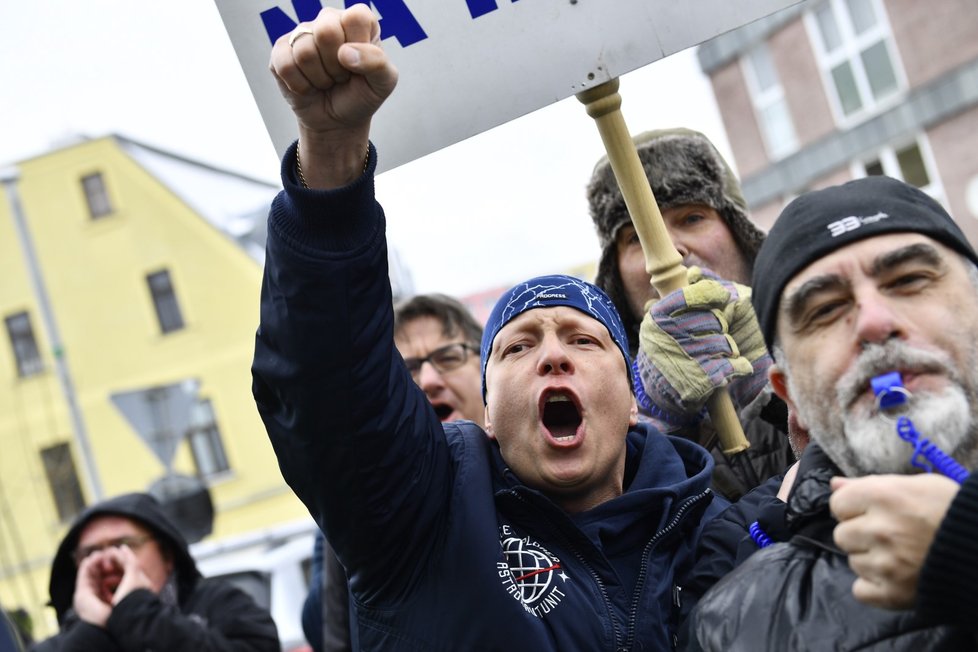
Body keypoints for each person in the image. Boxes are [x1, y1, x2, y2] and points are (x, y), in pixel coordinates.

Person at [252, 7, 726, 649]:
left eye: (584, 340)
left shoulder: (714, 526)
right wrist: (331, 153)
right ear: (491, 416)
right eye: (518, 347)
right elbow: (328, 386)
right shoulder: (428, 517)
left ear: (634, 399)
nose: (553, 358)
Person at [687, 175, 978, 650]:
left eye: (908, 281)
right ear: (790, 395)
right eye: (824, 309)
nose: (874, 322)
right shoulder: (733, 629)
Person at [587, 129, 796, 500]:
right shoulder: (596, 404)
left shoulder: (825, 327)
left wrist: (784, 387)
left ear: (740, 235)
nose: (670, 250)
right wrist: (657, 427)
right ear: (615, 275)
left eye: (693, 218)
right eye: (636, 237)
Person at [301, 293, 485, 652]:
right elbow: (326, 631)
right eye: (408, 368)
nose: (429, 379)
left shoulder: (536, 473)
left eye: (449, 357)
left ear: (487, 367)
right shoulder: (358, 508)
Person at [32, 492, 279, 652]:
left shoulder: (220, 607)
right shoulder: (57, 646)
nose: (107, 563)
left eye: (124, 545)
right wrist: (93, 632)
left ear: (167, 555)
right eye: (91, 553)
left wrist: (137, 612)